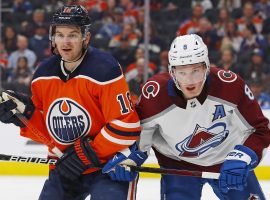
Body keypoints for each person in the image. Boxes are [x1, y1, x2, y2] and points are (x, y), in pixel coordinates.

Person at [0, 5, 145, 200]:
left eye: (73, 34)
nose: (65, 41)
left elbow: (126, 125)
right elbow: (50, 132)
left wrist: (86, 153)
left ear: (86, 37)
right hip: (67, 166)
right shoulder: (43, 75)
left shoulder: (104, 69)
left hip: (109, 165)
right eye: (60, 34)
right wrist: (25, 115)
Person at [105, 34, 270, 199]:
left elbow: (260, 129)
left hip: (229, 164)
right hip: (179, 166)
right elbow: (141, 138)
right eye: (182, 73)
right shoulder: (154, 95)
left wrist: (242, 157)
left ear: (206, 67)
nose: (189, 81)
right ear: (172, 71)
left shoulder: (230, 86)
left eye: (196, 71)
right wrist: (129, 159)